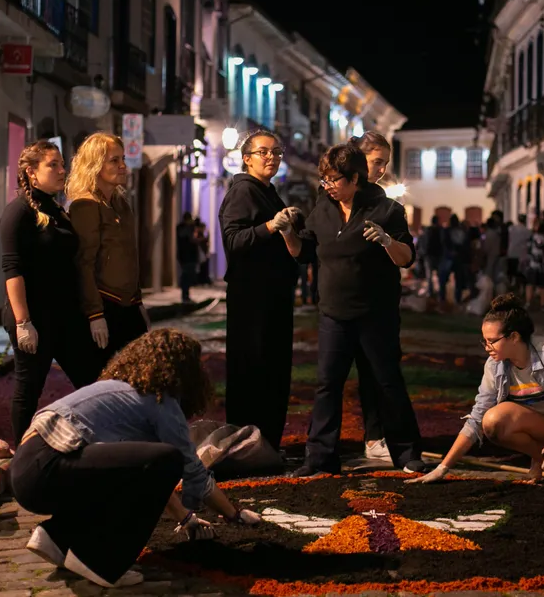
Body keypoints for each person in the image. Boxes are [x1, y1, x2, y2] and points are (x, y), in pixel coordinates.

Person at [10, 329, 261, 588]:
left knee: (134, 471)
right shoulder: (159, 400)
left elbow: (145, 478)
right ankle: (98, 561)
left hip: (27, 471)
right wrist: (235, 514)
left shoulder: (118, 390)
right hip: (47, 468)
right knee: (169, 458)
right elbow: (189, 470)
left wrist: (186, 518)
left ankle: (57, 537)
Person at [278, 143, 424, 476]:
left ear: (354, 178)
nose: (327, 185)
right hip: (333, 313)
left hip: (375, 314)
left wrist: (388, 241)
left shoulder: (386, 209)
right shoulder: (323, 208)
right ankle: (320, 458)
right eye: (324, 179)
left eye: (333, 180)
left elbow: (407, 258)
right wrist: (288, 234)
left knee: (387, 383)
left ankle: (406, 453)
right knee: (327, 384)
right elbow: (303, 252)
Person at [406, 294, 544, 502]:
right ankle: (541, 457)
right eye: (484, 341)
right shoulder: (494, 366)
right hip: (541, 427)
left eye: (492, 341)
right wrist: (443, 468)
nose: (487, 347)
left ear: (514, 337)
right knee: (492, 421)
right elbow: (477, 418)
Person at [1, 141, 98, 446]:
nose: (61, 170)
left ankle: (92, 441)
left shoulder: (56, 208)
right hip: (35, 315)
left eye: (61, 164)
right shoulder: (19, 212)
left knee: (92, 380)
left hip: (65, 314)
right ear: (31, 172)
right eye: (52, 165)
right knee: (29, 387)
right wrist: (22, 322)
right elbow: (12, 270)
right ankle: (22, 455)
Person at [218, 130, 300, 452]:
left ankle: (264, 443)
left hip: (271, 298)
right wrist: (270, 227)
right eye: (263, 152)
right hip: (252, 301)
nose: (271, 158)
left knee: (272, 371)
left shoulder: (267, 192)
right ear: (247, 158)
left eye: (277, 152)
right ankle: (247, 445)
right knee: (252, 371)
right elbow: (234, 241)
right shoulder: (243, 192)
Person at [67, 133, 149, 377]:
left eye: (122, 159)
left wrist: (139, 302)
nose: (122, 165)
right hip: (105, 305)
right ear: (95, 164)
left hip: (129, 305)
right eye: (114, 161)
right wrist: (95, 314)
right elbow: (84, 263)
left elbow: (129, 257)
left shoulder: (121, 203)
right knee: (105, 380)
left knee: (138, 380)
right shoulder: (86, 204)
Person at [349, 131, 397, 462]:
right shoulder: (337, 195)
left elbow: (405, 251)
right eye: (375, 161)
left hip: (377, 297)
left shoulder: (384, 202)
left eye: (384, 164)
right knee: (331, 377)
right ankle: (321, 446)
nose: (380, 169)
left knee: (377, 371)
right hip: (343, 299)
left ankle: (376, 434)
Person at [176, 212, 199, 303]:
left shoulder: (184, 228)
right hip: (186, 256)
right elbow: (191, 239)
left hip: (187, 256)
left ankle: (186, 295)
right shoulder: (183, 228)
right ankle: (185, 295)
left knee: (188, 276)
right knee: (186, 276)